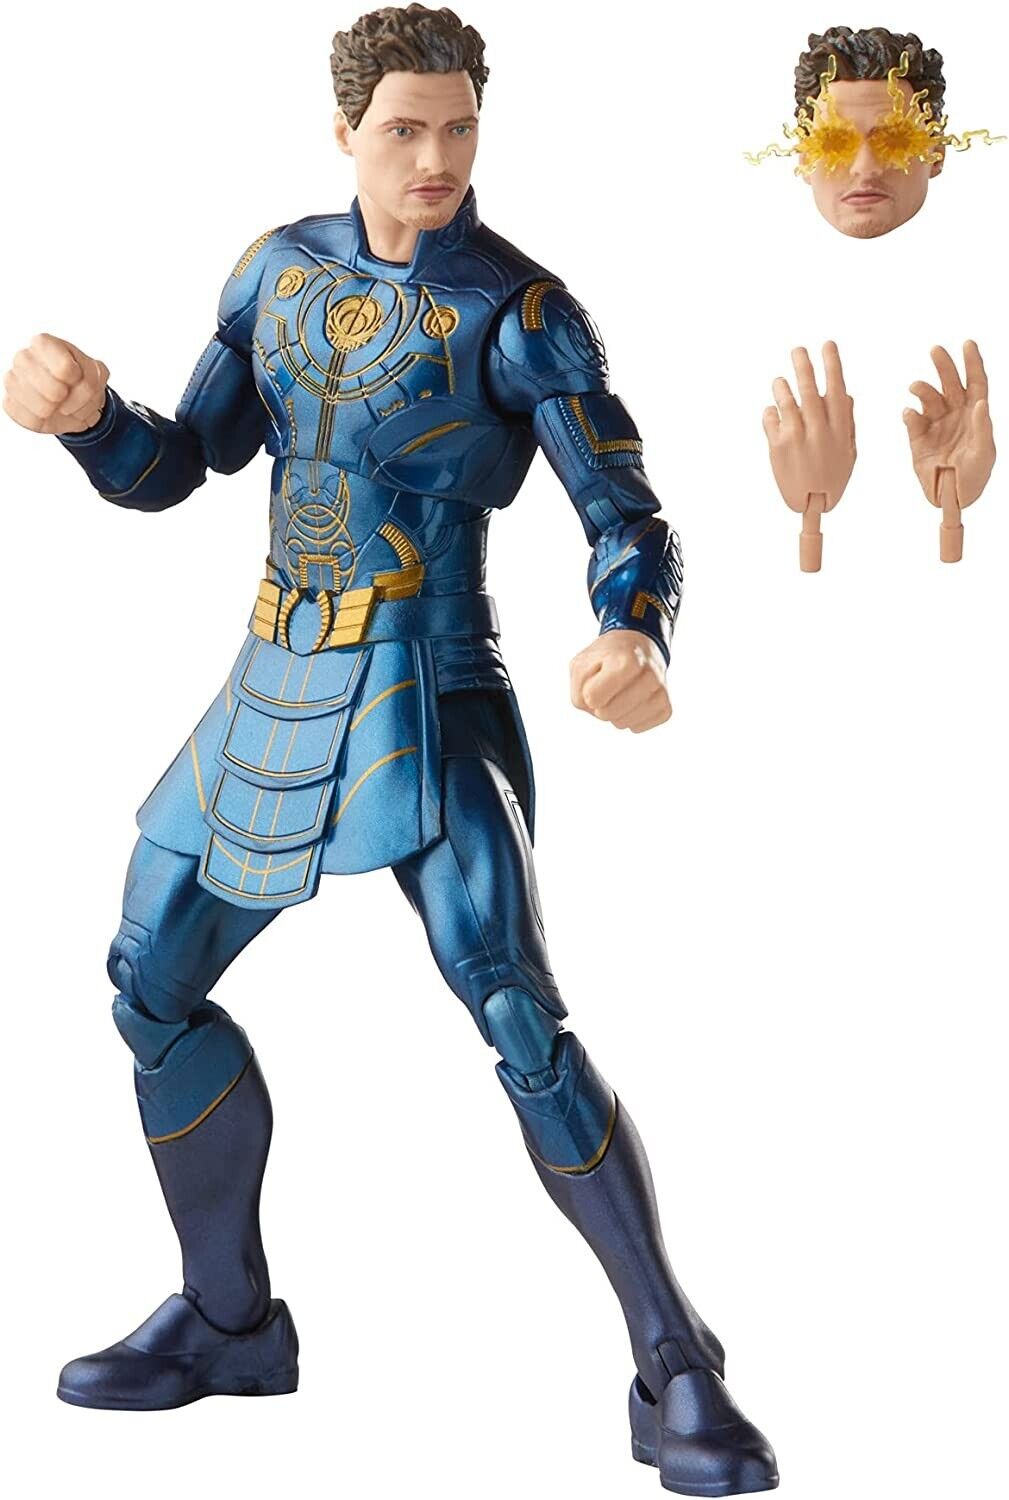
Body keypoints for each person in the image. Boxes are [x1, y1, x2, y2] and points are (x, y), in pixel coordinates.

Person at [2, 6, 777, 1493]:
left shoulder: (520, 311)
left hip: (432, 683)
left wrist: (636, 632)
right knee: (147, 979)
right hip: (278, 671)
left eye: (459, 127)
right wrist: (91, 421)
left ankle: (674, 1361)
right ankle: (228, 1319)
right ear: (344, 132)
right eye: (404, 129)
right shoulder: (276, 272)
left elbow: (627, 514)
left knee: (515, 1006)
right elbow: (182, 465)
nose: (436, 157)